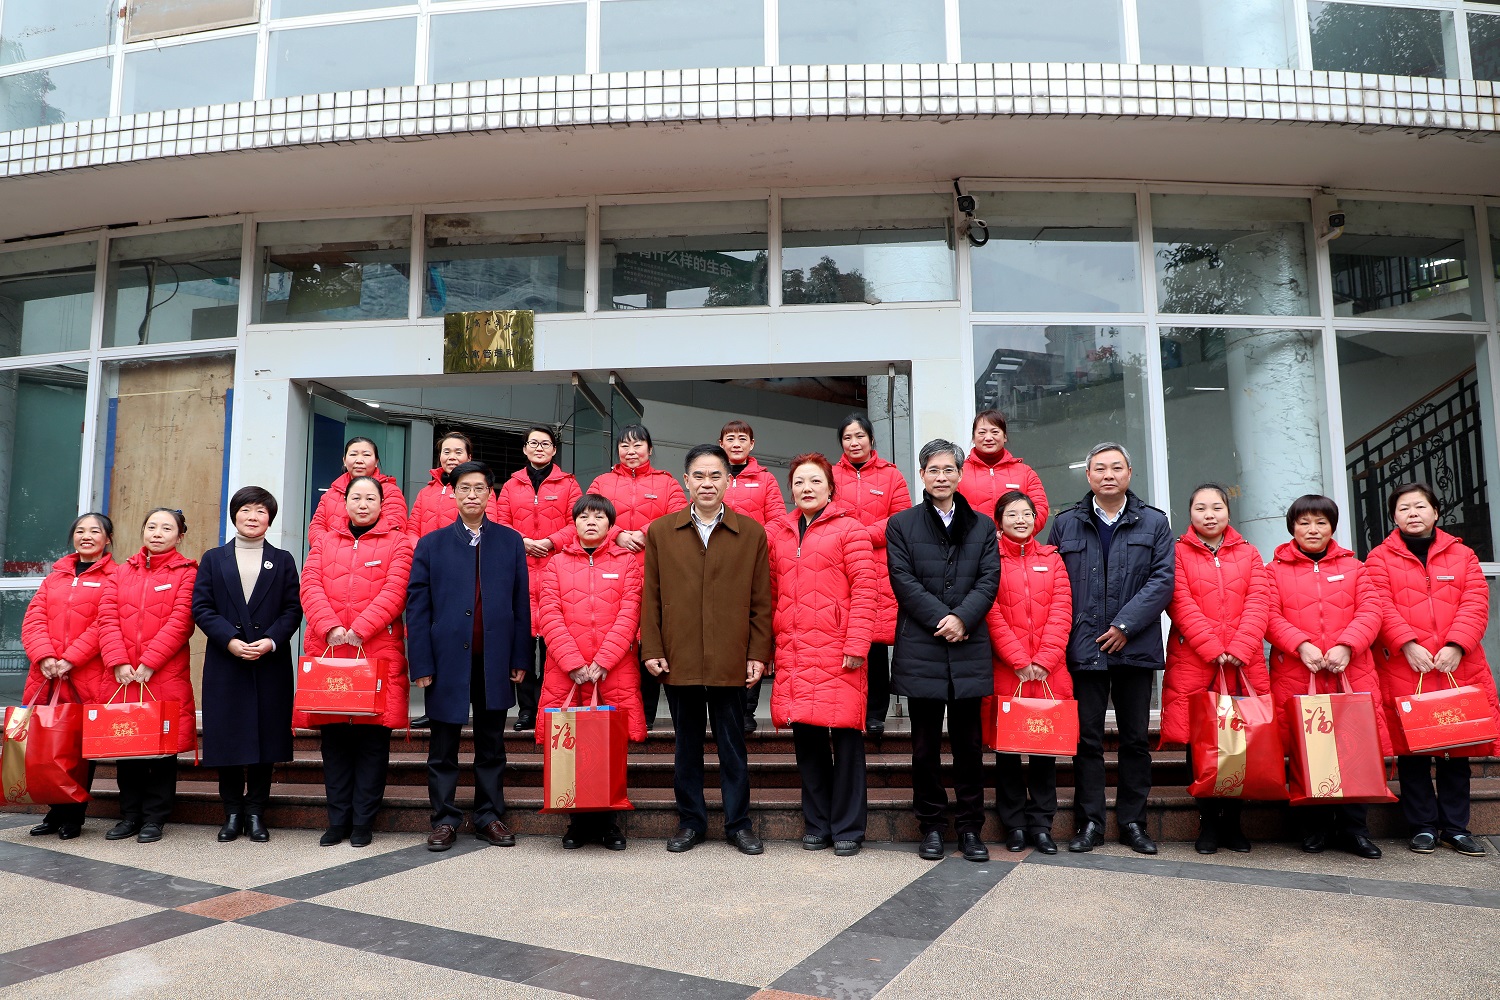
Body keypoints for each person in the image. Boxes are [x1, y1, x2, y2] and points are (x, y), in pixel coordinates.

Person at [641, 444, 772, 856]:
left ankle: (739, 824)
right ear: (686, 481)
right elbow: (650, 597)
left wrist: (757, 654)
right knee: (686, 747)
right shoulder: (661, 531)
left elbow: (761, 601)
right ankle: (691, 822)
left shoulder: (751, 533)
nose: (707, 483)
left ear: (728, 481)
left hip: (730, 657)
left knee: (733, 747)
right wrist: (652, 647)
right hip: (679, 656)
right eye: (699, 475)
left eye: (716, 475)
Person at [1048, 443, 1173, 856]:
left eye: (1116, 467)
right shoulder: (1065, 524)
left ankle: (1134, 823)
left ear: (1129, 473)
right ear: (1088, 476)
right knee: (1087, 741)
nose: (1108, 475)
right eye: (1099, 468)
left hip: (1134, 647)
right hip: (1084, 647)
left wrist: (1124, 626)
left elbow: (1162, 581)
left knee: (1135, 740)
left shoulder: (1154, 522)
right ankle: (1090, 823)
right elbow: (1054, 582)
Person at [1364, 482, 1496, 858]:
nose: (1413, 513)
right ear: (1394, 517)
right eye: (1404, 508)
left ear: (1436, 512)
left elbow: (1475, 601)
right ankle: (1422, 826)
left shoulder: (1463, 555)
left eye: (1420, 506)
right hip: (1406, 666)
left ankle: (1456, 828)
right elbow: (1380, 604)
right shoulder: (1378, 558)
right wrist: (1407, 644)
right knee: (1413, 753)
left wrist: (1456, 645)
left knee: (1457, 750)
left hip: (1457, 664)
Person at [407, 461, 530, 851]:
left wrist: (520, 657)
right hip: (446, 661)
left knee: (491, 746)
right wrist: (421, 662)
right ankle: (444, 820)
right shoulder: (431, 544)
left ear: (490, 494)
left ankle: (489, 816)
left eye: (479, 488)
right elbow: (417, 608)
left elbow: (521, 604)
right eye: (465, 488)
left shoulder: (510, 541)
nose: (472, 494)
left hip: (494, 660)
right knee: (443, 746)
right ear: (454, 494)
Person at [887, 439, 999, 863]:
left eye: (948, 469)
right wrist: (943, 619)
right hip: (923, 646)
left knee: (969, 747)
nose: (941, 476)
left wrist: (963, 619)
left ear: (960, 474)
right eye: (933, 470)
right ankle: (931, 826)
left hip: (968, 646)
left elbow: (989, 579)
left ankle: (970, 829)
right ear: (921, 475)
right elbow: (902, 580)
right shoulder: (902, 524)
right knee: (924, 748)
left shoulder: (983, 526)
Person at [1265, 494, 1388, 859]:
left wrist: (1347, 645)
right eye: (1304, 522)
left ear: (1332, 527)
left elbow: (1371, 610)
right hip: (1297, 672)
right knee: (1306, 749)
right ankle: (1313, 828)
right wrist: (1300, 645)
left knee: (1355, 748)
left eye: (1321, 522)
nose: (1313, 529)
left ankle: (1355, 830)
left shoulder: (1355, 567)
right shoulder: (1273, 571)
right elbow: (1268, 614)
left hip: (1350, 670)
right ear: (1292, 527)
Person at [766, 453, 877, 856]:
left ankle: (848, 827)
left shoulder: (850, 529)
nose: (806, 488)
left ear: (830, 487)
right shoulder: (780, 533)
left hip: (838, 649)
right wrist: (771, 647)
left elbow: (866, 590)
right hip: (795, 649)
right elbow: (772, 593)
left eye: (815, 481)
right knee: (807, 742)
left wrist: (857, 644)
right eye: (799, 482)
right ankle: (817, 823)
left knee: (845, 741)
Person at [296, 475, 414, 848]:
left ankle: (363, 821)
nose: (362, 504)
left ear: (382, 504)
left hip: (377, 651)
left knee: (372, 745)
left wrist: (362, 628)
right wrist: (330, 626)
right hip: (330, 650)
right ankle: (338, 820)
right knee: (334, 745)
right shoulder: (324, 541)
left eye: (370, 498)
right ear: (344, 502)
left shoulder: (398, 542)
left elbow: (396, 590)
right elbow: (309, 585)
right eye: (356, 498)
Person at [1160, 484, 1272, 855]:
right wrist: (1212, 647)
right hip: (1195, 661)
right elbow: (1179, 601)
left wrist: (1239, 647)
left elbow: (1259, 601)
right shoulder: (1176, 552)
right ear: (1190, 513)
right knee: (1201, 743)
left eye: (1216, 507)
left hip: (1242, 662)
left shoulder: (1249, 553)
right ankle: (1207, 823)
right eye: (1201, 508)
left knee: (1239, 741)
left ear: (1228, 511)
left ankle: (1233, 824)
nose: (1209, 515)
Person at [192, 487, 303, 844]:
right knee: (226, 737)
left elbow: (293, 609)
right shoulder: (214, 559)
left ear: (270, 519)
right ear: (234, 515)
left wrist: (270, 641)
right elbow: (202, 607)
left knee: (264, 737)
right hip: (226, 661)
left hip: (269, 663)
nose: (252, 516)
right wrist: (229, 639)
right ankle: (231, 813)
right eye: (245, 509)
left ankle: (255, 812)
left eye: (260, 511)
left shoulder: (282, 560)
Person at [535, 493, 644, 851]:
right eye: (584, 517)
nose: (591, 522)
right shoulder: (555, 564)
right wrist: (574, 663)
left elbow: (630, 613)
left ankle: (610, 823)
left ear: (611, 525)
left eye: (599, 516)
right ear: (574, 524)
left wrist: (604, 661)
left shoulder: (628, 562)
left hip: (614, 670)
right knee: (572, 746)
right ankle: (577, 823)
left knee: (610, 746)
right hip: (566, 670)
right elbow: (549, 615)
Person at [97, 508, 199, 844]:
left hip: (164, 673)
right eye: (151, 526)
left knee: (162, 750)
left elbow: (182, 621)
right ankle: (129, 816)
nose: (157, 533)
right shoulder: (121, 571)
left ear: (179, 536)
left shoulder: (187, 573)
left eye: (166, 528)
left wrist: (150, 662)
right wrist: (118, 661)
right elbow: (106, 618)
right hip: (124, 674)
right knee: (127, 746)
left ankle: (155, 817)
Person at [984, 490, 1071, 856]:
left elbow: (1062, 610)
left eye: (1026, 513)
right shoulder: (990, 559)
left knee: (1044, 753)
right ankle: (1015, 825)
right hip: (1008, 670)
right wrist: (1018, 659)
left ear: (1037, 519)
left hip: (1049, 671)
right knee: (1007, 753)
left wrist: (1045, 659)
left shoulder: (1053, 559)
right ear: (999, 522)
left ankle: (1041, 825)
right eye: (1012, 514)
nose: (1020, 520)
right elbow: (990, 612)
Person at [20, 513, 117, 839]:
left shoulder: (115, 577)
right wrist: (45, 655)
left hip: (86, 675)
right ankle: (54, 811)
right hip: (46, 675)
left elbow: (104, 624)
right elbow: (34, 619)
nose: (86, 536)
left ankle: (74, 814)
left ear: (108, 539)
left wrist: (71, 658)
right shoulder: (55, 577)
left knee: (78, 747)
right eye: (80, 531)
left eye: (95, 531)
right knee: (47, 743)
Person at [587, 424, 686, 729]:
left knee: (650, 643)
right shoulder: (601, 482)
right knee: (617, 640)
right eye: (624, 446)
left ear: (650, 449)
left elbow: (679, 516)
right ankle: (618, 717)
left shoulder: (667, 483)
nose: (631, 452)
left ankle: (648, 717)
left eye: (638, 445)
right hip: (610, 572)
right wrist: (616, 534)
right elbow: (586, 514)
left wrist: (644, 532)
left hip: (655, 571)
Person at [493, 425, 582, 732]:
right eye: (533, 443)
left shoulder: (569, 484)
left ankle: (548, 705)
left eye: (545, 443)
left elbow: (576, 521)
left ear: (554, 450)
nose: (539, 448)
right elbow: (500, 522)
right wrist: (523, 542)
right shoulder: (510, 485)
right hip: (519, 570)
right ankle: (527, 709)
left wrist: (550, 541)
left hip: (558, 568)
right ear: (525, 449)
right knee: (522, 643)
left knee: (552, 645)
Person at [830, 413, 912, 736]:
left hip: (880, 565)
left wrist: (860, 535)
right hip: (839, 564)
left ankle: (875, 712)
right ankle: (848, 707)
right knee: (843, 640)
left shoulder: (891, 476)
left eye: (860, 436)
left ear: (871, 439)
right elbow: (824, 512)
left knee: (875, 642)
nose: (854, 443)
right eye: (847, 437)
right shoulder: (830, 474)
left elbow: (900, 519)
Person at [720, 419, 788, 734]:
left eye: (742, 438)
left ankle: (747, 709)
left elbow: (777, 520)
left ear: (752, 444)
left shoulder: (766, 479)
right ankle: (724, 706)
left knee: (753, 633)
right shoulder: (714, 474)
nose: (736, 443)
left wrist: (752, 544)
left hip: (756, 565)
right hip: (719, 567)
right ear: (721, 443)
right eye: (730, 438)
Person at [958, 409, 1049, 532]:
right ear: (973, 438)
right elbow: (948, 511)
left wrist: (1015, 536)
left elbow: (1040, 509)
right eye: (982, 432)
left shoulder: (1026, 473)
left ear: (1005, 436)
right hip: (972, 543)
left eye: (995, 432)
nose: (988, 438)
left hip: (1013, 544)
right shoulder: (958, 472)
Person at [309, 436, 408, 545]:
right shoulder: (331, 494)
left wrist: (358, 551)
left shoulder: (390, 491)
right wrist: (334, 549)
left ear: (376, 461)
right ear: (344, 460)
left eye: (366, 455)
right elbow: (316, 527)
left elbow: (395, 527)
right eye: (353, 454)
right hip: (332, 553)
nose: (359, 460)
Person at [408, 431, 479, 538]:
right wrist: (420, 548)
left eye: (458, 452)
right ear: (440, 456)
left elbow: (486, 529)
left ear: (469, 458)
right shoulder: (425, 493)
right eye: (446, 452)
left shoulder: (480, 489)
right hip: (427, 548)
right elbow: (412, 529)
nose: (452, 457)